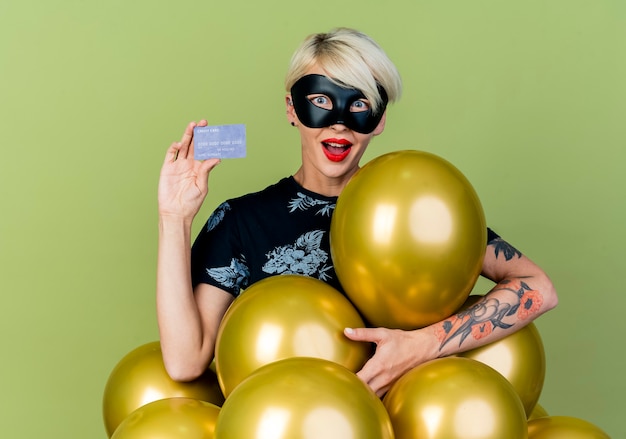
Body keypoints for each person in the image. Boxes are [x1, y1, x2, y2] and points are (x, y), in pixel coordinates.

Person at [156, 27, 558, 397]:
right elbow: (185, 361)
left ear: (379, 119)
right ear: (291, 109)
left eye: (360, 104)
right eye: (319, 101)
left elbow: (539, 287)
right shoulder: (241, 221)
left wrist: (422, 345)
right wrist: (175, 218)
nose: (340, 125)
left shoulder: (412, 209)